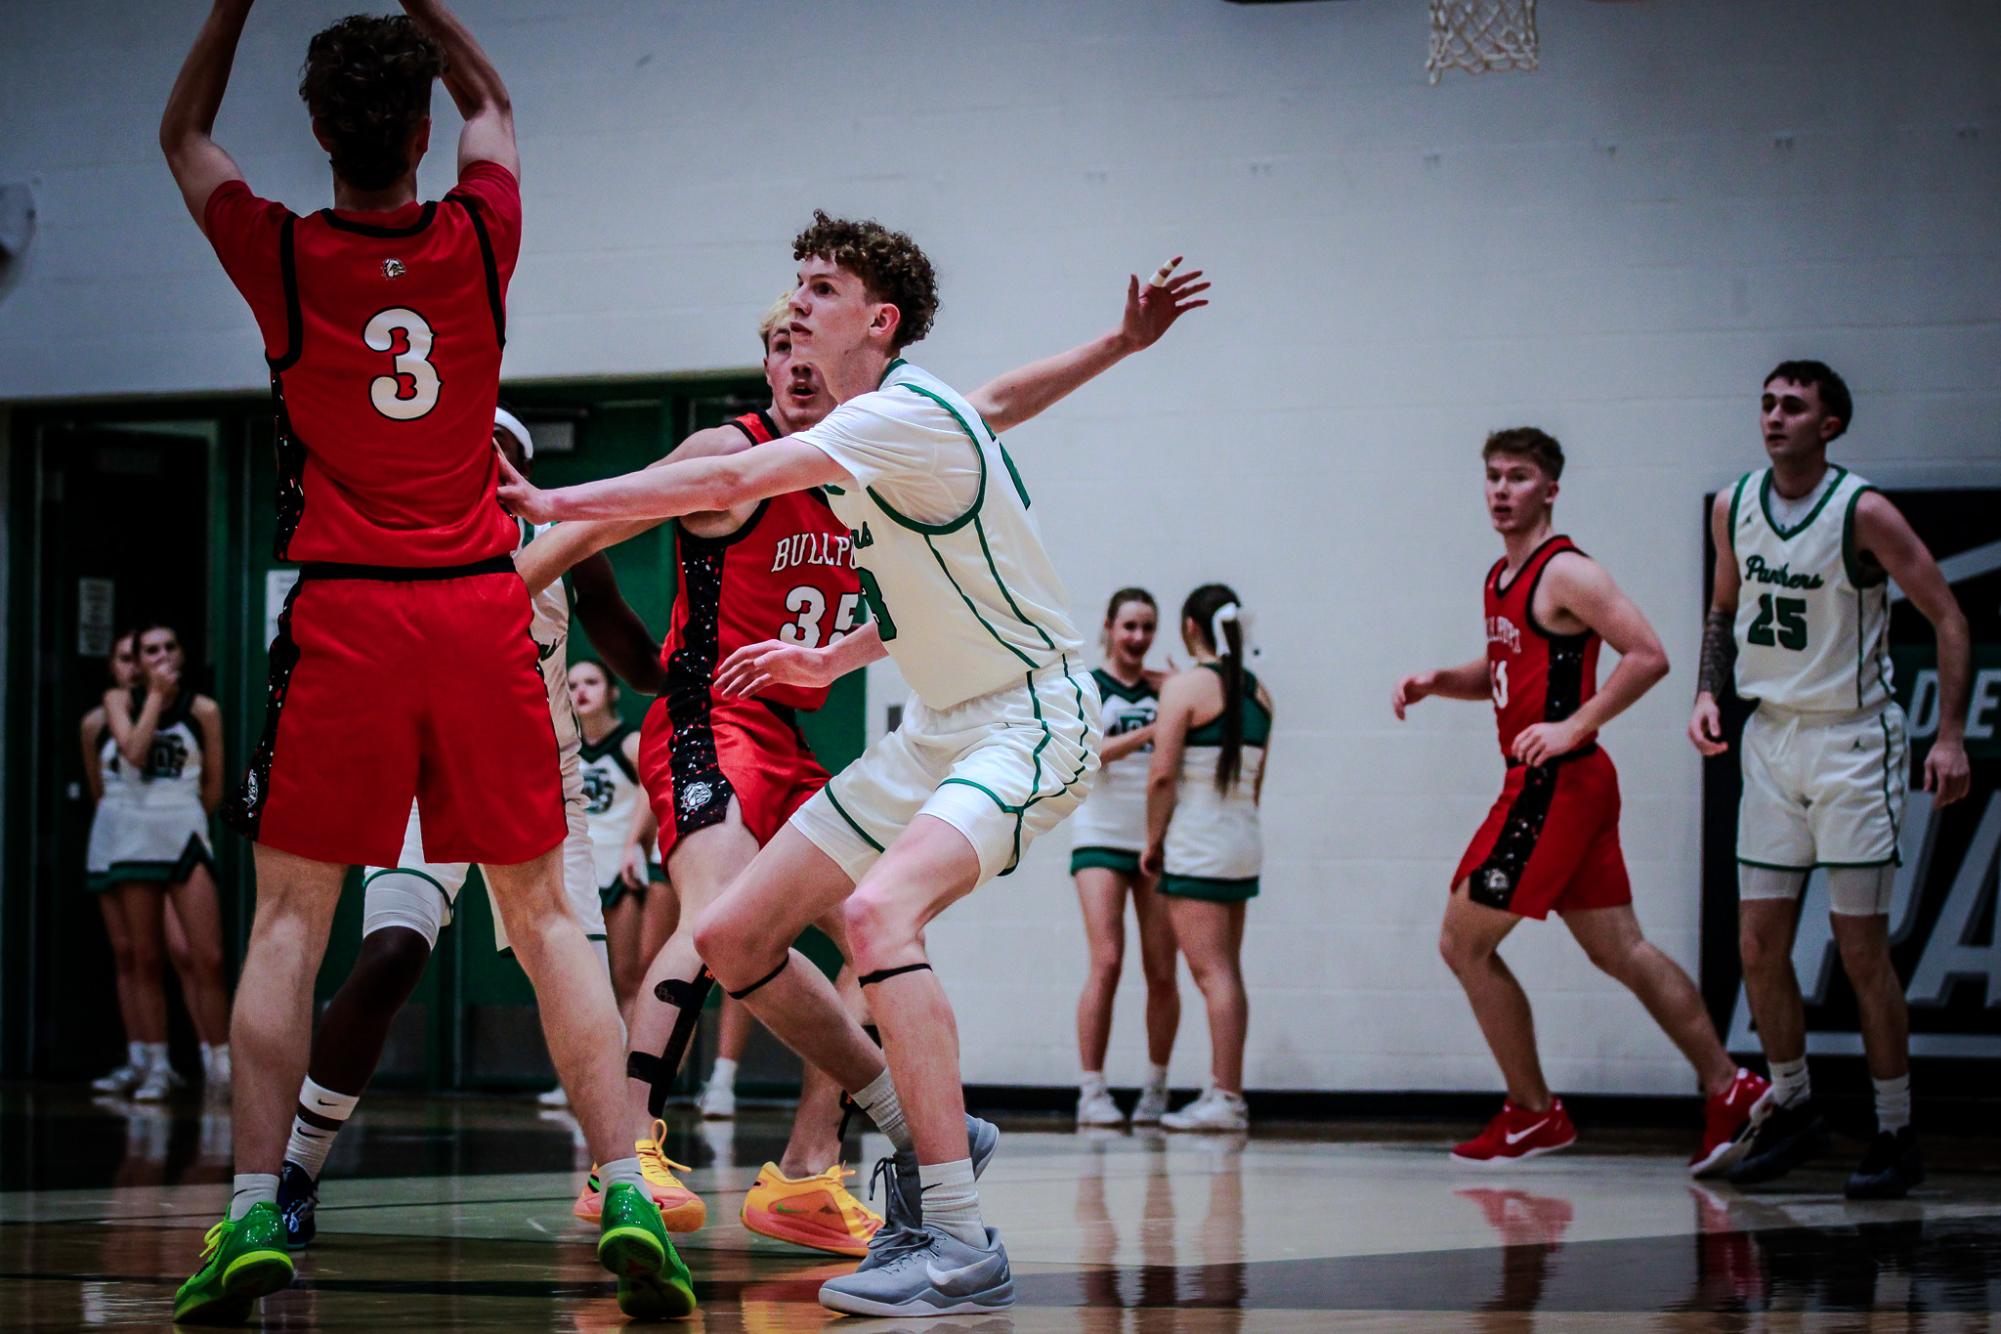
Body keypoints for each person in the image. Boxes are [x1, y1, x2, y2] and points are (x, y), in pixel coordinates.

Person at [501, 215, 1207, 1316]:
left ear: (876, 322)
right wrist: (839, 649)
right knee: (734, 932)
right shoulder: (911, 418)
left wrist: (554, 502)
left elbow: (733, 469)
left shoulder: (890, 418)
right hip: (937, 727)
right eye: (795, 289)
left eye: (821, 289)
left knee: (879, 915)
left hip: (1030, 717)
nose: (798, 305)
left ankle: (959, 1234)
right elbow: (1008, 400)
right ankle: (926, 1118)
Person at [159, 3, 686, 1320]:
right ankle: (623, 1181)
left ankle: (254, 1213)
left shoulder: (284, 259)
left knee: (290, 920)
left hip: (350, 610)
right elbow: (495, 104)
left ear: (325, 136)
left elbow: (182, 132)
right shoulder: (478, 234)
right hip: (473, 605)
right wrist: (425, 6)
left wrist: (230, 4)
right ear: (416, 134)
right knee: (549, 917)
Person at [273, 413, 674, 1249]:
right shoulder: (402, 550)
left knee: (582, 982)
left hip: (542, 782)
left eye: (500, 449)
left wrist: (696, 674)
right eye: (463, 444)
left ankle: (619, 1178)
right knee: (388, 956)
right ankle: (296, 1170)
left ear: (523, 467)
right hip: (426, 778)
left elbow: (633, 656)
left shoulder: (563, 541)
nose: (480, 459)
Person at [1395, 427, 1769, 1171]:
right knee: (1619, 949)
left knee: (1461, 942)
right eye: (1493, 477)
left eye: (1519, 477)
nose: (1502, 490)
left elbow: (1649, 655)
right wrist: (1443, 681)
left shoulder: (1566, 570)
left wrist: (1575, 725)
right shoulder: (1501, 577)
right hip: (1568, 783)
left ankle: (1533, 1112)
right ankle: (1731, 1087)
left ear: (1550, 489)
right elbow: (1511, 667)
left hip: (1553, 786)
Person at [1690, 361, 1971, 1199]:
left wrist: (1948, 733)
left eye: (1793, 406)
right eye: (1766, 403)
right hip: (1770, 739)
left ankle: (1894, 1131)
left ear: (1830, 425)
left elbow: (1947, 617)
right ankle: (1793, 1104)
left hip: (1853, 742)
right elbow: (1720, 608)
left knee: (1858, 952)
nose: (1774, 417)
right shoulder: (1730, 505)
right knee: (1756, 945)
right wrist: (1707, 689)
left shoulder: (1863, 511)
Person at [1144, 585, 1271, 1133]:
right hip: (1242, 839)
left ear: (1190, 628)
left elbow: (1163, 774)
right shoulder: (1259, 691)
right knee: (1228, 972)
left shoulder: (1186, 688)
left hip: (1197, 843)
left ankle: (1225, 1097)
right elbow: (1257, 780)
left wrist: (1152, 842)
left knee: (1211, 973)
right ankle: (1227, 1092)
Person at [85, 628, 232, 1100]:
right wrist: (150, 699)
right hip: (125, 841)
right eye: (140, 653)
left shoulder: (200, 709)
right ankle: (150, 1062)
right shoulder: (105, 713)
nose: (155, 659)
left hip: (182, 839)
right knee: (137, 956)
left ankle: (221, 1063)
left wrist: (186, 818)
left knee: (201, 954)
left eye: (169, 647)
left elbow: (214, 785)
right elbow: (107, 781)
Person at [1068, 588, 1177, 1126]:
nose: (1138, 637)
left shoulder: (1168, 688)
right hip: (1099, 833)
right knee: (1106, 960)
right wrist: (1160, 725)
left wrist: (1178, 694)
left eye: (1147, 627)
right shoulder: (1089, 686)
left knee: (1162, 968)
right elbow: (1090, 753)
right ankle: (1092, 1089)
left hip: (1155, 839)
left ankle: (1156, 1089)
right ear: (1108, 626)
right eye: (1129, 626)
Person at [569, 657, 675, 1019]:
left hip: (621, 873)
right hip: (578, 875)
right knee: (577, 983)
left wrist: (633, 844)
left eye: (591, 682)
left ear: (613, 691)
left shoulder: (631, 742)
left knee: (627, 979)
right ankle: (579, 1074)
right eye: (572, 685)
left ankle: (626, 1074)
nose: (580, 690)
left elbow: (653, 788)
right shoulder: (565, 749)